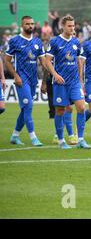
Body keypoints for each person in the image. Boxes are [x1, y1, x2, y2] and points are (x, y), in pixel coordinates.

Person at [45, 14, 90, 150]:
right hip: (60, 82)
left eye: (73, 25)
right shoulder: (55, 42)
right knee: (60, 110)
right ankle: (61, 140)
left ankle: (81, 139)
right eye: (69, 26)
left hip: (75, 82)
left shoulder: (76, 42)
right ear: (63, 26)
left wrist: (81, 81)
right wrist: (55, 74)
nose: (72, 28)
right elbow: (47, 61)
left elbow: (79, 62)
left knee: (81, 107)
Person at [4, 16, 46, 146]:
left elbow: (43, 62)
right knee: (28, 107)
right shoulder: (15, 41)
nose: (30, 26)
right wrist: (16, 76)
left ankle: (15, 136)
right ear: (22, 26)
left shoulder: (38, 42)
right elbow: (7, 60)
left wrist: (45, 79)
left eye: (32, 24)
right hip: (22, 79)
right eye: (27, 24)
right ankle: (33, 137)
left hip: (34, 80)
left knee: (24, 109)